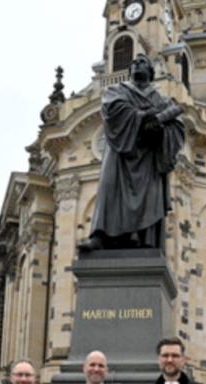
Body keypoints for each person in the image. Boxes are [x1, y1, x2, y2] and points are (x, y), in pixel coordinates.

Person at [78, 54, 185, 251]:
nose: (137, 64)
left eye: (143, 62)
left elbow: (178, 128)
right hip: (121, 152)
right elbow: (113, 110)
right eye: (134, 62)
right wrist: (144, 117)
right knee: (109, 189)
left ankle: (145, 239)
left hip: (149, 157)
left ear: (151, 73)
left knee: (148, 196)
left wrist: (160, 130)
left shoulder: (162, 99)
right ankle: (100, 236)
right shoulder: (116, 90)